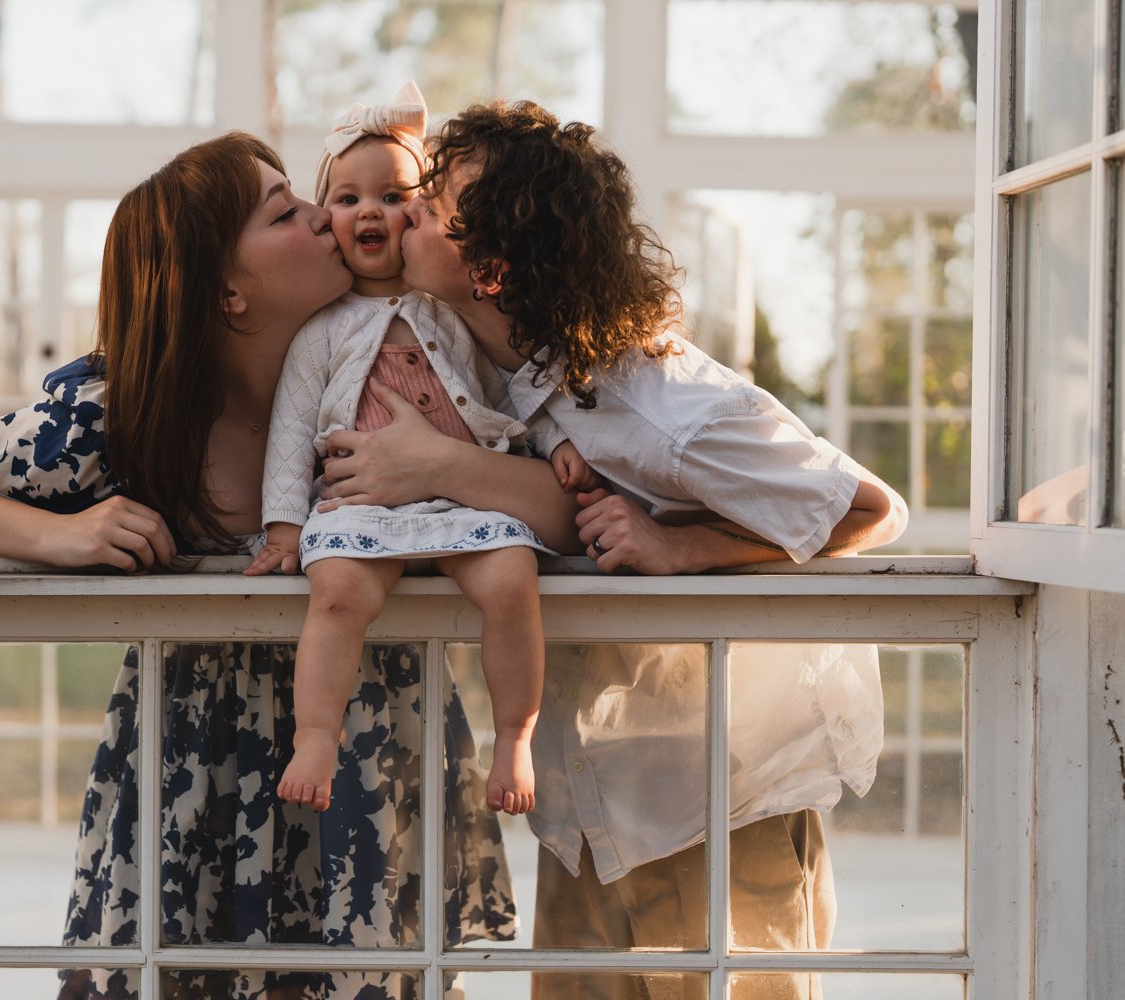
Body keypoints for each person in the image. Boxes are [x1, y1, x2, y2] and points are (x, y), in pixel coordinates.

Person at [0, 131, 581, 1000]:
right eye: (285, 212)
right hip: (201, 775)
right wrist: (56, 536)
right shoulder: (130, 413)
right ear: (227, 290)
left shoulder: (424, 354)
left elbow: (569, 516)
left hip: (375, 766)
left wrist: (441, 467)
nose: (326, 216)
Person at [314, 101, 909, 1000]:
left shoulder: (657, 401)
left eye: (431, 208)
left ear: (492, 270)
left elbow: (866, 507)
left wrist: (685, 547)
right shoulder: (487, 371)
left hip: (717, 806)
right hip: (588, 810)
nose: (404, 216)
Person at [248, 83, 587, 818]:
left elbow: (516, 391)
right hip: (360, 506)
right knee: (337, 595)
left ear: (427, 212)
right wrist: (283, 526)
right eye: (346, 199)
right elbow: (292, 426)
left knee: (512, 582)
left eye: (394, 196)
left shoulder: (453, 309)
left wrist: (558, 441)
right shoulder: (321, 330)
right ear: (326, 218)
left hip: (465, 504)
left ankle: (514, 736)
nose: (368, 211)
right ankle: (316, 735)